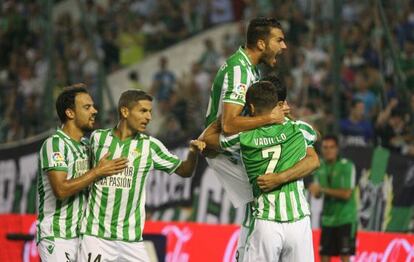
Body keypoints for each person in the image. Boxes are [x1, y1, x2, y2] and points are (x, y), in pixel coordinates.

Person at [78, 90, 205, 261]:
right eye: (143, 111)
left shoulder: (150, 146)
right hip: (96, 236)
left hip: (131, 240)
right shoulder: (97, 139)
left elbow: (185, 171)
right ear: (125, 112)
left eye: (150, 112)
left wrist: (192, 152)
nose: (148, 117)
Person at [203, 81, 319, 261]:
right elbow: (314, 153)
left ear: (251, 107)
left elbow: (208, 139)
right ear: (278, 105)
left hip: (266, 221)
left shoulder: (244, 138)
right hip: (298, 220)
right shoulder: (299, 130)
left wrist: (229, 117)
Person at [203, 18, 287, 260]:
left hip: (229, 146)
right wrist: (270, 118)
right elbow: (229, 124)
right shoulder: (239, 69)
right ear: (261, 43)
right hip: (220, 148)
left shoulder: (250, 68)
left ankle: (247, 255)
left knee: (261, 200)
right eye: (279, 40)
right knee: (263, 196)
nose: (284, 46)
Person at [36, 84, 128, 262]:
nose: (95, 110)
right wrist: (97, 171)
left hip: (85, 238)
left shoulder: (87, 146)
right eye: (87, 107)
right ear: (70, 113)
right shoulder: (55, 144)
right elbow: (60, 190)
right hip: (57, 235)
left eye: (93, 106)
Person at [309, 135, 357, 262]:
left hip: (345, 218)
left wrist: (322, 190)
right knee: (324, 256)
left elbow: (346, 194)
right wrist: (315, 191)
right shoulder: (319, 167)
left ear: (337, 149)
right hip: (328, 220)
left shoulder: (347, 166)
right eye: (325, 147)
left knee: (345, 256)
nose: (328, 150)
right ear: (321, 149)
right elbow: (317, 195)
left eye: (331, 147)